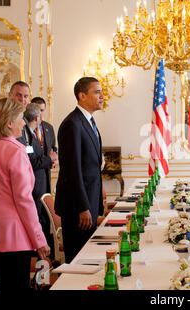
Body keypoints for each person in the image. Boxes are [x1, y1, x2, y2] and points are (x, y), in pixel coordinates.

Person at [0, 98, 50, 290]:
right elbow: (24, 201)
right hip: (13, 238)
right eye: (20, 118)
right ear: (9, 122)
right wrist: (39, 239)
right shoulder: (16, 151)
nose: (23, 123)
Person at [55, 77, 104, 263]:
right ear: (82, 95)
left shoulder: (89, 121)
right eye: (97, 92)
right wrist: (83, 207)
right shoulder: (72, 124)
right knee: (77, 261)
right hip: (77, 207)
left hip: (89, 201)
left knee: (87, 258)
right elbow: (71, 170)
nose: (101, 96)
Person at [24, 103, 58, 259]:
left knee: (43, 219)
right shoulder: (25, 135)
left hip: (43, 181)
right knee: (37, 219)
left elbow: (51, 149)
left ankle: (45, 257)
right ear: (37, 117)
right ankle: (41, 257)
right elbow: (31, 161)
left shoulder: (40, 130)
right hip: (34, 184)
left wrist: (51, 158)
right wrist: (48, 159)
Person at [31, 96, 58, 192]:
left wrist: (53, 160)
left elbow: (53, 148)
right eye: (37, 110)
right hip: (32, 178)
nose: (40, 114)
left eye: (42, 110)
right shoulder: (25, 128)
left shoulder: (48, 127)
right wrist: (48, 159)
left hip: (46, 177)